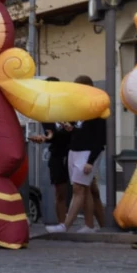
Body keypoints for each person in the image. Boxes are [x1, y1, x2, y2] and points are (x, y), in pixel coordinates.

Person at [46, 75, 107, 234]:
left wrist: (91, 161)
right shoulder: (79, 108)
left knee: (79, 189)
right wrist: (71, 129)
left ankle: (65, 225)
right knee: (84, 189)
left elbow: (99, 139)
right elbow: (79, 130)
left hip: (86, 153)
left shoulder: (97, 108)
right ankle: (89, 225)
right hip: (74, 151)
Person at [29, 76, 72, 224]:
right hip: (57, 153)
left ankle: (88, 224)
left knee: (84, 190)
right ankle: (62, 224)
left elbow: (73, 130)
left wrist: (52, 136)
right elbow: (50, 133)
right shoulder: (45, 112)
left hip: (74, 151)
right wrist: (45, 138)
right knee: (60, 192)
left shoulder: (68, 108)